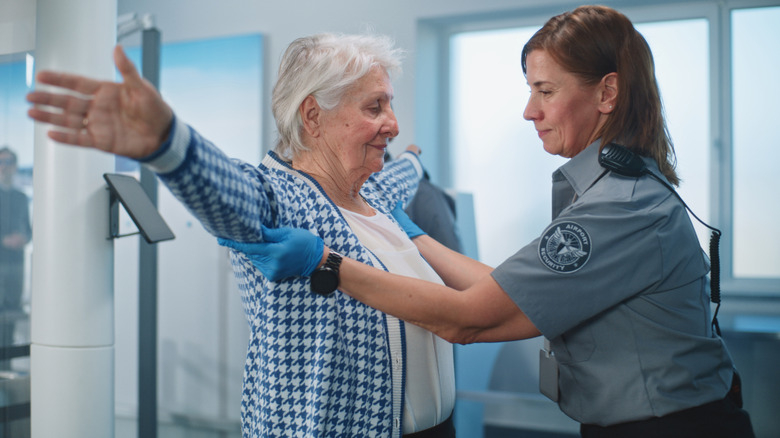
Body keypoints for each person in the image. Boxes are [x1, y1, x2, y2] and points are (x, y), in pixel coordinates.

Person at [221, 6, 756, 438]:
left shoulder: (619, 208)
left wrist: (329, 263)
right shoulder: (613, 189)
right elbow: (508, 288)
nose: (530, 110)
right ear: (312, 117)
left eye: (545, 91)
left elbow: (472, 319)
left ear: (607, 94)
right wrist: (415, 237)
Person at [27, 34, 456, 437]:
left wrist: (416, 159)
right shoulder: (280, 197)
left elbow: (406, 172)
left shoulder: (374, 189)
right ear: (313, 116)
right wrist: (167, 143)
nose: (393, 124)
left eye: (390, 106)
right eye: (374, 108)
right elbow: (232, 194)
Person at [0, 146, 31, 367]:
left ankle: (6, 370)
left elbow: (28, 230)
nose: (5, 166)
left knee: (11, 317)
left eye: (9, 162)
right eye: (2, 162)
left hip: (16, 265)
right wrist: (3, 241)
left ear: (15, 166)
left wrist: (24, 238)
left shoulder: (20, 197)